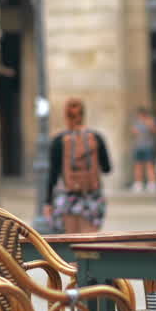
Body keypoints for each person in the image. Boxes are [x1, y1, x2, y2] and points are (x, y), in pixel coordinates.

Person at [42, 98, 111, 233]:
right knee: (89, 245)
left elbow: (53, 175)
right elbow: (107, 168)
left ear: (66, 116)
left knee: (71, 242)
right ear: (83, 115)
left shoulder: (58, 141)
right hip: (92, 199)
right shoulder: (96, 138)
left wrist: (48, 202)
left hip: (68, 199)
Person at [130, 106, 156, 193]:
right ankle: (138, 183)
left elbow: (155, 131)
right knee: (138, 165)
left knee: (149, 165)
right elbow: (133, 132)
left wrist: (149, 124)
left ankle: (152, 183)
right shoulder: (136, 122)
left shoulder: (150, 120)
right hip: (138, 146)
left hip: (148, 146)